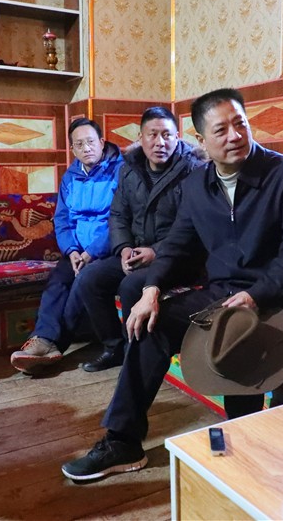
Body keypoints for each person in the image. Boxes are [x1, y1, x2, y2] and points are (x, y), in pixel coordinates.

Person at [61, 88, 283, 481]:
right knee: (149, 324)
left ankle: (243, 452)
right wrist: (151, 290)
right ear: (201, 140)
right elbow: (179, 244)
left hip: (277, 296)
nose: (235, 136)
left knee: (237, 336)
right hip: (224, 293)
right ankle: (123, 440)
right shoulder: (198, 184)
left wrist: (256, 294)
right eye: (221, 130)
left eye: (240, 124)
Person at [76, 106, 206, 372]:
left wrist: (155, 252)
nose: (160, 142)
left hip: (180, 258)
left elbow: (193, 227)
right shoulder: (129, 169)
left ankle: (137, 357)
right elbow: (118, 215)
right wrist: (124, 248)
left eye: (167, 135)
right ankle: (115, 348)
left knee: (131, 286)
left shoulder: (194, 170)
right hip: (136, 252)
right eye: (152, 135)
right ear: (141, 137)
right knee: (89, 279)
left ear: (177, 137)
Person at [10, 118, 124, 373]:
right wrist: (71, 251)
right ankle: (42, 339)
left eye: (90, 142)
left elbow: (120, 219)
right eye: (79, 144)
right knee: (58, 281)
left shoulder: (122, 171)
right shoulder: (71, 176)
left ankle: (53, 348)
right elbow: (61, 219)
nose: (86, 148)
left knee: (81, 283)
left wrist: (91, 252)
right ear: (72, 149)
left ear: (102, 142)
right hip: (77, 250)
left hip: (107, 250)